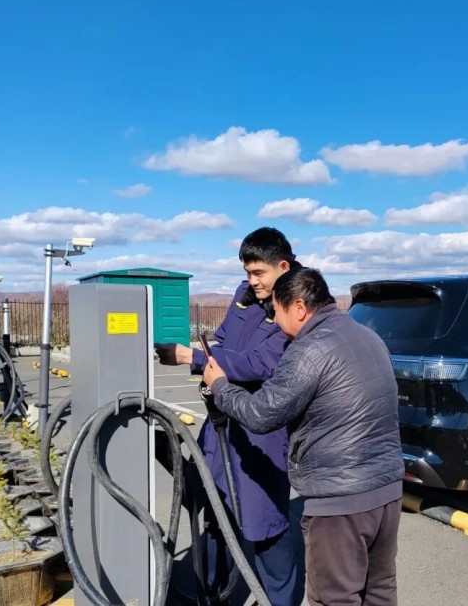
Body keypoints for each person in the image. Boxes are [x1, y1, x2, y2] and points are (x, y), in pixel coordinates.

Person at [203, 267, 403, 606]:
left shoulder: (308, 349)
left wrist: (220, 386)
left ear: (298, 307)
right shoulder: (367, 335)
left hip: (340, 502)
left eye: (277, 313)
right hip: (387, 492)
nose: (277, 323)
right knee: (379, 592)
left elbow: (262, 413)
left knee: (334, 598)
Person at [154, 227, 300, 606]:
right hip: (222, 423)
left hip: (260, 431)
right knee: (215, 513)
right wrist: (209, 354)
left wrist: (191, 357)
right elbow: (226, 341)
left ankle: (279, 600)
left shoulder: (296, 306)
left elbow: (259, 363)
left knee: (264, 524)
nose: (252, 282)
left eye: (259, 274)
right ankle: (212, 595)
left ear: (283, 266)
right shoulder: (247, 295)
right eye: (248, 273)